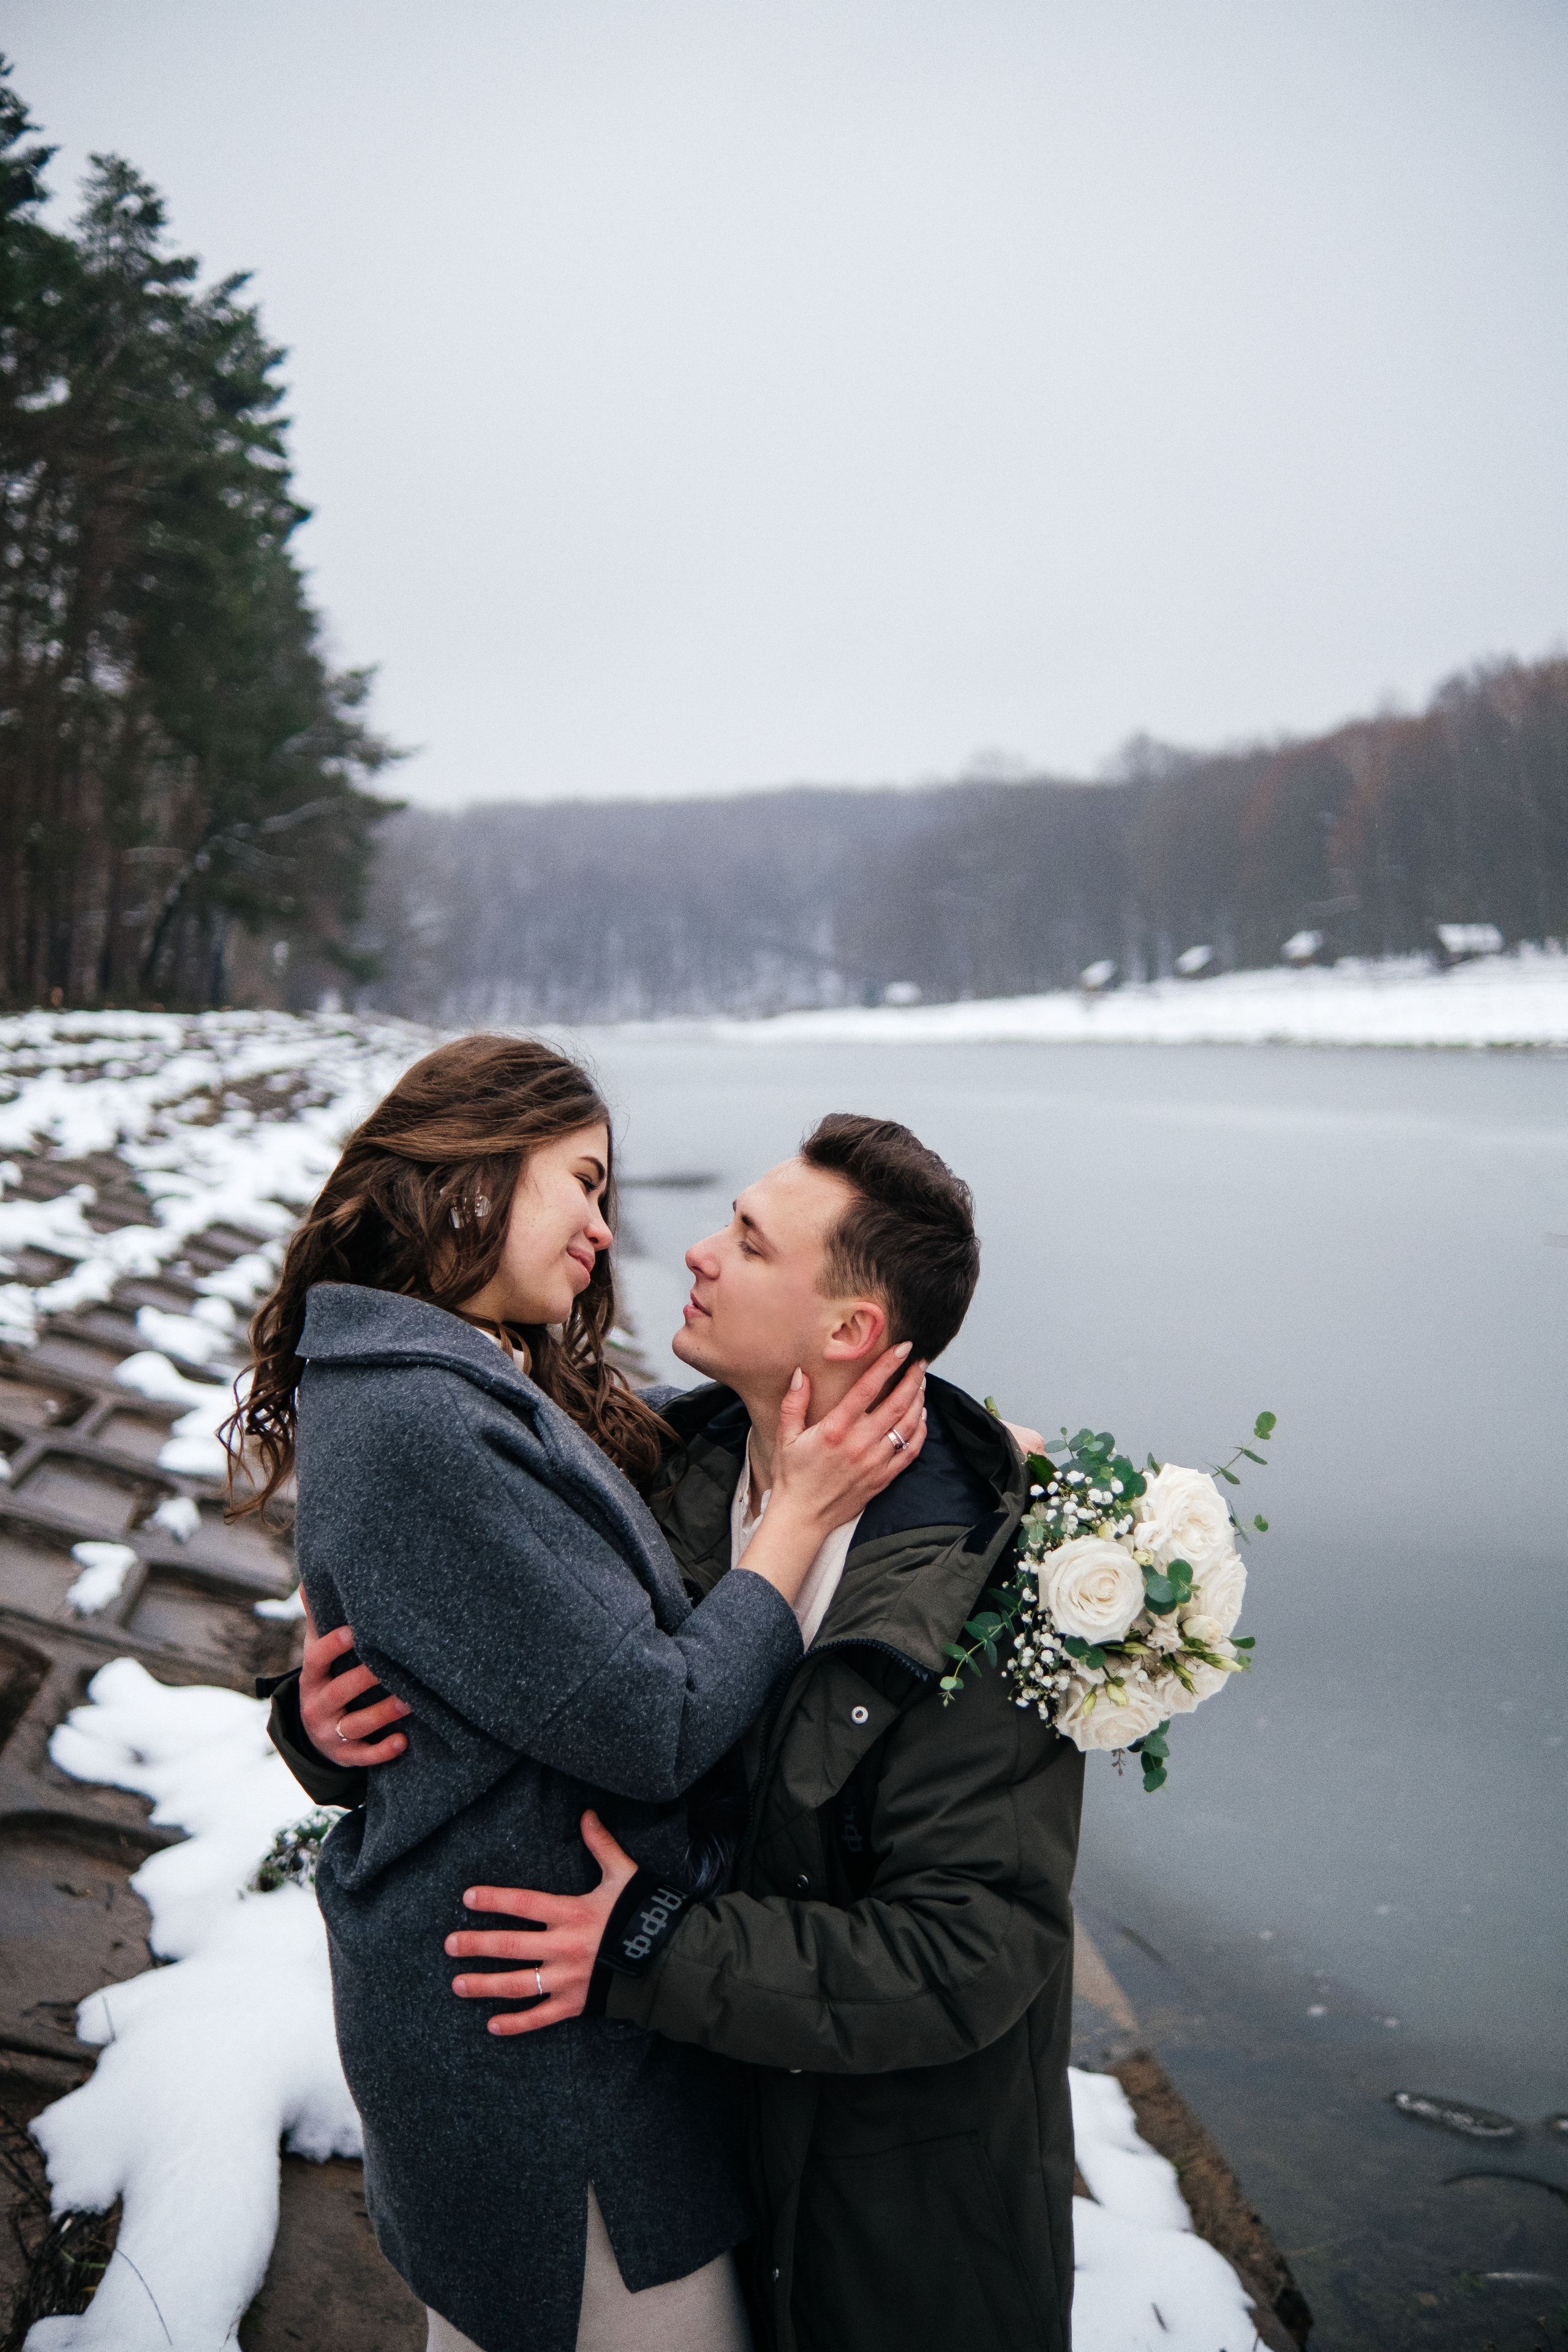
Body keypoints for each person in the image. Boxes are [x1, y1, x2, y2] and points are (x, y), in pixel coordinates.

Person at [275, 1112, 1085, 2352]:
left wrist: (647, 1948)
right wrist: (336, 1721)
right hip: (680, 2120)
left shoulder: (976, 1592)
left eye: (748, 1244)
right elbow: (518, 1652)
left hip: (875, 2189)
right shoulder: (672, 1462)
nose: (694, 1254)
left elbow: (967, 1951)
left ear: (848, 1333)